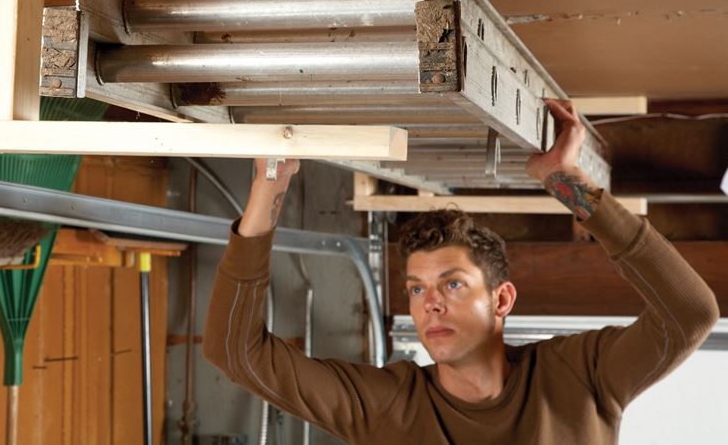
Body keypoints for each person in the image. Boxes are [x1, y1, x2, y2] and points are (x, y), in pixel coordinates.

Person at [203, 99, 718, 444]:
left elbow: (690, 314)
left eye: (452, 284)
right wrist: (270, 182)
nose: (430, 304)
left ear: (501, 300)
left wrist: (568, 182)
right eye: (416, 289)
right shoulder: (389, 406)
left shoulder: (578, 378)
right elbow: (235, 351)